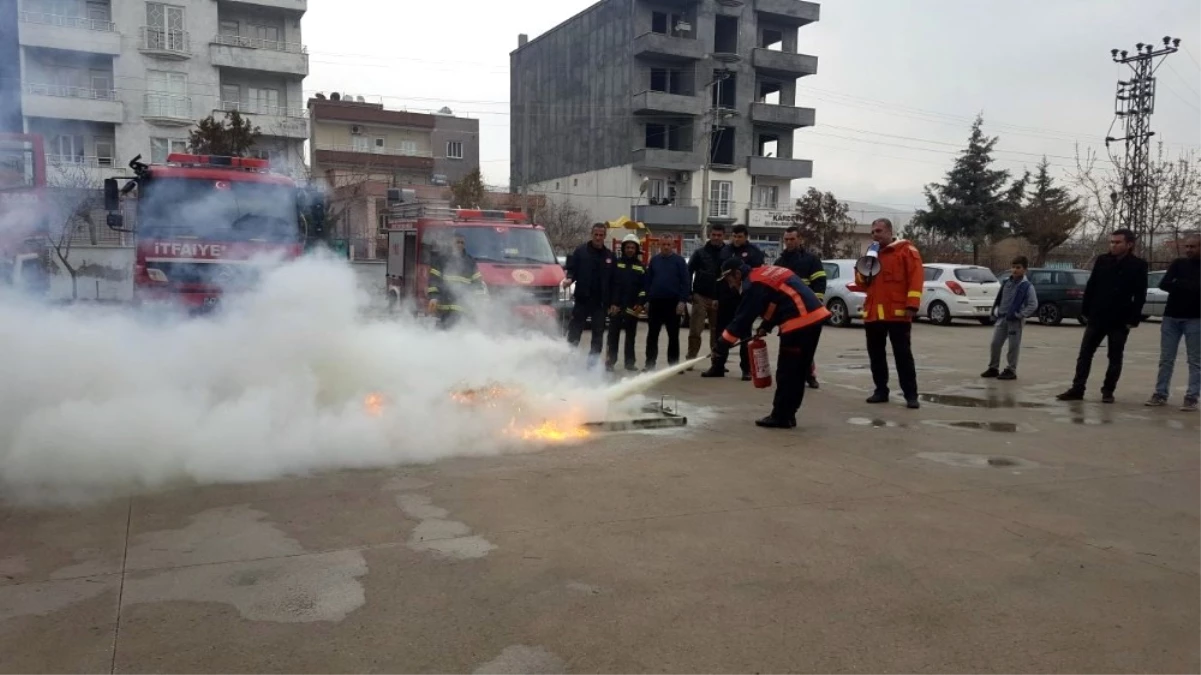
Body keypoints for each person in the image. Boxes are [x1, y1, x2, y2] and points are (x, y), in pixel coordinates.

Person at [713, 258, 831, 428]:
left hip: (799, 323)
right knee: (798, 372)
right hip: (815, 318)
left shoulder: (753, 283)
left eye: (729, 280)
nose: (730, 285)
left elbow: (743, 318)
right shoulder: (765, 273)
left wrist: (722, 344)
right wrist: (765, 326)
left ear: (737, 274)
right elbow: (775, 301)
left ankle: (781, 416)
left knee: (787, 372)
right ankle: (789, 415)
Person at [1057, 228, 1148, 403]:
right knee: (1085, 354)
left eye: (1117, 242)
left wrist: (1133, 319)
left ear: (1129, 244)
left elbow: (1140, 294)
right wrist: (1085, 311)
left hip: (1120, 319)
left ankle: (1108, 391)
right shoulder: (1102, 260)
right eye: (1111, 242)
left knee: (1114, 357)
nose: (1113, 245)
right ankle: (1078, 388)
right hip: (1097, 316)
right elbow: (1091, 286)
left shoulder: (1138, 265)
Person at [855, 218, 925, 409]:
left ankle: (911, 395)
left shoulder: (905, 251)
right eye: (873, 232)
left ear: (889, 232)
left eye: (878, 231)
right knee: (876, 355)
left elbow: (916, 278)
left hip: (898, 314)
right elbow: (861, 282)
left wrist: (912, 304)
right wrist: (865, 267)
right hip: (873, 314)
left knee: (903, 355)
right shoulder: (871, 253)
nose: (875, 235)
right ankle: (880, 390)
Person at [1145, 232, 1201, 412]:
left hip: (1195, 319)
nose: (1189, 250)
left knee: (1195, 360)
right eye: (1187, 246)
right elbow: (1164, 284)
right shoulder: (1178, 263)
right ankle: (1160, 393)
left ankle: (1191, 397)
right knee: (1166, 359)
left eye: (1193, 246)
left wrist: (1180, 284)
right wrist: (1190, 286)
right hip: (1171, 317)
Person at [704, 224, 764, 379]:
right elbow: (718, 276)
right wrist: (716, 297)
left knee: (744, 334)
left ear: (746, 236)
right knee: (721, 332)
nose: (737, 239)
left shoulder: (755, 252)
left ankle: (746, 369)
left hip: (744, 299)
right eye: (734, 236)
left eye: (740, 236)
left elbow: (756, 276)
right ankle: (717, 366)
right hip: (725, 298)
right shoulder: (725, 251)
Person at [775, 226, 827, 389]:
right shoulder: (780, 262)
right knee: (788, 347)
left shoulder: (811, 260)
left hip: (807, 312)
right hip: (788, 313)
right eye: (786, 239)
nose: (789, 242)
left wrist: (815, 304)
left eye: (792, 239)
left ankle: (809, 375)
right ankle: (788, 376)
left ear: (800, 240)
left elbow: (820, 283)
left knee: (807, 346)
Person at [564, 223, 615, 365]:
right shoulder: (580, 251)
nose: (598, 238)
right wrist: (569, 279)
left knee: (598, 334)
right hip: (582, 299)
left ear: (605, 236)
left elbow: (613, 281)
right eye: (596, 235)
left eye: (601, 235)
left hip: (600, 303)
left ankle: (592, 365)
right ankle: (568, 359)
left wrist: (612, 302)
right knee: (575, 331)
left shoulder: (610, 256)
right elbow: (572, 269)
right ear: (591, 234)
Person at [981, 256, 1039, 380]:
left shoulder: (1027, 286)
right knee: (995, 344)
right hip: (1002, 319)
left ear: (1025, 270)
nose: (1014, 270)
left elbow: (1033, 304)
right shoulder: (1006, 282)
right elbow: (1000, 298)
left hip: (1015, 322)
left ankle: (1011, 370)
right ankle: (993, 368)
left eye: (1018, 268)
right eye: (1013, 267)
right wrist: (995, 310)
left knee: (1013, 346)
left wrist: (1020, 314)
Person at [644, 235, 690, 370]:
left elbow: (685, 283)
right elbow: (648, 281)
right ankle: (650, 364)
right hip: (655, 303)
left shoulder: (680, 262)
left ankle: (673, 365)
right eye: (663, 244)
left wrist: (682, 301)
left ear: (673, 246)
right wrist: (647, 300)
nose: (665, 247)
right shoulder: (654, 261)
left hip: (673, 303)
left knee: (673, 335)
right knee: (652, 335)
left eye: (668, 245)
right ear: (659, 245)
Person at [686, 224, 729, 366]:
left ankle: (716, 363)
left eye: (719, 235)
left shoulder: (728, 253)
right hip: (700, 296)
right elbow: (689, 272)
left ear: (724, 236)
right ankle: (690, 359)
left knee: (717, 333)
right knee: (695, 331)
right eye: (713, 235)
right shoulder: (699, 253)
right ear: (709, 235)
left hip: (720, 298)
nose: (716, 238)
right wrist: (689, 293)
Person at [427, 231, 484, 330]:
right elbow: (434, 280)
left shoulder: (470, 262)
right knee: (442, 334)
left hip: (463, 309)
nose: (460, 245)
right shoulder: (441, 259)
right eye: (457, 242)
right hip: (444, 308)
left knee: (460, 334)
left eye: (462, 243)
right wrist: (433, 297)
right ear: (451, 243)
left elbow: (477, 283)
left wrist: (479, 301)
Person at [605, 234, 646, 372]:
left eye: (632, 247)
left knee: (630, 337)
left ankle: (629, 363)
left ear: (636, 249)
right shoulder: (616, 264)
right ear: (623, 248)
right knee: (613, 336)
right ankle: (610, 361)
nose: (630, 250)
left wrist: (640, 303)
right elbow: (611, 285)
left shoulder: (641, 267)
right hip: (616, 307)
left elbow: (643, 288)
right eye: (627, 247)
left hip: (632, 308)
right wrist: (611, 304)